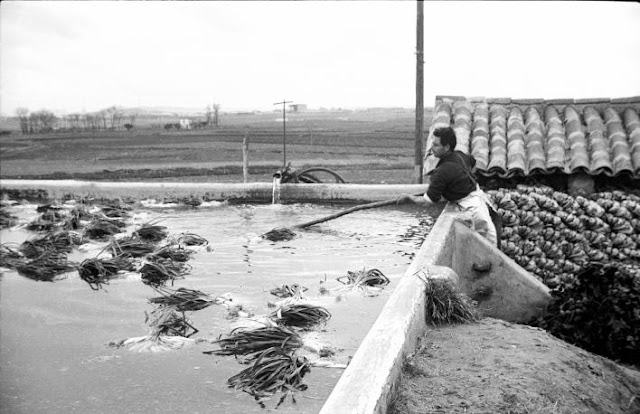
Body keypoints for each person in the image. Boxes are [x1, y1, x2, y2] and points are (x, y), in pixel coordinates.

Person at [397, 126, 499, 246]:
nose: (431, 148)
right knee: (491, 242)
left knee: (484, 249)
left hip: (472, 210)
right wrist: (459, 184)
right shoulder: (460, 155)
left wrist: (409, 198)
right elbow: (473, 164)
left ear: (446, 147)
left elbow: (427, 201)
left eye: (435, 145)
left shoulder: (441, 171)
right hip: (480, 201)